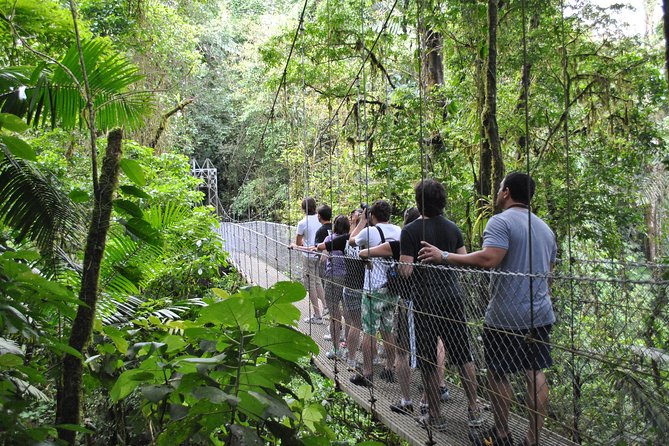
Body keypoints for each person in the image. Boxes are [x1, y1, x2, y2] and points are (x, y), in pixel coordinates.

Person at [418, 172, 556, 446]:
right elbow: (549, 274)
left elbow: (489, 259)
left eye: (499, 187)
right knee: (534, 371)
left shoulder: (500, 221)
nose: (497, 192)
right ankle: (534, 438)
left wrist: (444, 256)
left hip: (506, 314)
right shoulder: (545, 228)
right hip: (540, 312)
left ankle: (503, 433)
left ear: (506, 192)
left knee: (497, 372)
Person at [400, 179, 483, 432]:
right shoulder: (452, 228)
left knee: (427, 358)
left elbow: (405, 271)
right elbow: (462, 260)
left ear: (418, 201)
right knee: (463, 354)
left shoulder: (411, 231)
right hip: (453, 296)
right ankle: (474, 408)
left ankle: (435, 414)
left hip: (425, 300)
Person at [348, 200, 401, 386]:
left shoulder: (369, 231)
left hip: (374, 288)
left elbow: (351, 240)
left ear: (372, 215)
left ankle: (368, 373)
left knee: (369, 330)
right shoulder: (399, 230)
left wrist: (362, 220)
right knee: (388, 329)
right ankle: (389, 368)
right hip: (393, 287)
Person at [316, 214, 350, 359]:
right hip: (349, 277)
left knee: (334, 314)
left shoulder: (330, 239)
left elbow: (321, 252)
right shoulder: (350, 240)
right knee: (349, 313)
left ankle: (336, 349)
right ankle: (348, 345)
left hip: (333, 277)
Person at [290, 197, 325, 324]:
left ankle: (317, 315)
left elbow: (298, 243)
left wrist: (303, 242)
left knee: (311, 285)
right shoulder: (321, 219)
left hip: (308, 255)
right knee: (317, 281)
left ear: (303, 208)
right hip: (321, 254)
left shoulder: (302, 222)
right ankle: (326, 308)